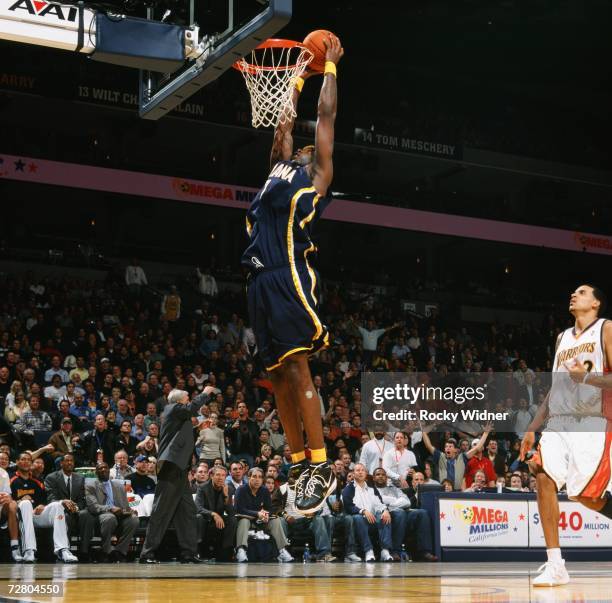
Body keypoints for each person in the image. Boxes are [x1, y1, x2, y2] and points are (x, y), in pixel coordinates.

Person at [241, 34, 344, 514]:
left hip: (289, 274)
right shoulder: (278, 166)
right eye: (299, 146)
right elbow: (284, 118)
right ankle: (300, 461)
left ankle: (322, 464)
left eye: (306, 148)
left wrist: (329, 68)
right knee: (278, 376)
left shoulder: (316, 175)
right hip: (258, 279)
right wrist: (297, 72)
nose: (302, 147)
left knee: (298, 365)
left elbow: (326, 119)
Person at [521, 284, 612, 586]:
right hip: (558, 422)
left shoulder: (606, 329)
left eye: (582, 292)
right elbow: (555, 388)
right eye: (572, 292)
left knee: (584, 495)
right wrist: (533, 428)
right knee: (541, 471)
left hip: (592, 421)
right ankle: (555, 563)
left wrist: (585, 377)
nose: (574, 295)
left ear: (596, 302)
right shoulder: (561, 337)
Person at [139, 387, 213, 563]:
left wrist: (197, 428)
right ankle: (146, 553)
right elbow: (190, 408)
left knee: (187, 513)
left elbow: (181, 438)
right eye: (187, 397)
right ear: (180, 400)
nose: (189, 399)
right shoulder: (171, 408)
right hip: (170, 468)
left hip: (180, 470)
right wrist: (205, 392)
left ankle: (188, 553)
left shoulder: (179, 416)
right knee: (160, 512)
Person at [10, 451, 78, 563]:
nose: (26, 462)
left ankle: (62, 550)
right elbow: (7, 501)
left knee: (57, 505)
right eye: (23, 459)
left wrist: (42, 505)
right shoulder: (11, 479)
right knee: (26, 504)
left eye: (28, 460)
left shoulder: (38, 481)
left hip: (35, 515)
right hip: (19, 515)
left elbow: (44, 499)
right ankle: (29, 550)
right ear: (17, 462)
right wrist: (19, 501)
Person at [234, 467, 293, 563]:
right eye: (254, 477)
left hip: (260, 521)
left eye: (260, 477)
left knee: (276, 520)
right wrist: (257, 513)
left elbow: (269, 508)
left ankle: (282, 550)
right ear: (249, 478)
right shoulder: (241, 490)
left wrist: (266, 515)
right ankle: (241, 550)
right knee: (244, 522)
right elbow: (238, 509)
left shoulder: (264, 490)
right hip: (246, 520)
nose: (257, 479)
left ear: (262, 480)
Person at [44, 453, 96, 562]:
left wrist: (76, 507)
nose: (69, 463)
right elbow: (51, 498)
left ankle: (84, 551)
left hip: (76, 510)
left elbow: (82, 499)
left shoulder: (80, 478)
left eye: (71, 461)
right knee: (65, 517)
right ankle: (63, 551)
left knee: (87, 515)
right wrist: (64, 504)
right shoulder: (51, 477)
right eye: (67, 461)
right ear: (61, 463)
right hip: (59, 510)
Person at [85, 461, 140, 562]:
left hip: (119, 516)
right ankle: (106, 551)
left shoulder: (119, 486)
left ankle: (119, 552)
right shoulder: (90, 486)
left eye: (105, 467)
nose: (103, 470)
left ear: (109, 470)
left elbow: (125, 506)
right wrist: (110, 508)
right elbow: (93, 507)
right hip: (101, 516)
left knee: (134, 520)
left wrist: (129, 511)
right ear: (96, 472)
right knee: (110, 517)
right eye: (100, 468)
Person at [342, 463, 393, 562]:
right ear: (353, 473)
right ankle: (368, 551)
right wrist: (363, 511)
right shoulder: (349, 488)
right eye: (357, 470)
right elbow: (348, 506)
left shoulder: (371, 487)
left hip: (373, 519)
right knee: (357, 517)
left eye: (362, 470)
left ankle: (385, 551)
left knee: (385, 515)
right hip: (360, 520)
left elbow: (379, 502)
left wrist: (385, 510)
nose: (360, 472)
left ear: (366, 473)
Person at [195, 465, 236, 561]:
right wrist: (213, 514)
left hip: (220, 519)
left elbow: (231, 512)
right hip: (206, 518)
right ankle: (199, 550)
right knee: (199, 517)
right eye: (218, 475)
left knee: (232, 520)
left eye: (223, 475)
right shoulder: (202, 487)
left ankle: (226, 551)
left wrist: (226, 496)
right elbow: (198, 507)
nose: (220, 478)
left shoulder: (228, 489)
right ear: (212, 476)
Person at [0, 465, 22, 562]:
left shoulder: (3, 473)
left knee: (12, 504)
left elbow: (6, 493)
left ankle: (14, 546)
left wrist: (6, 497)